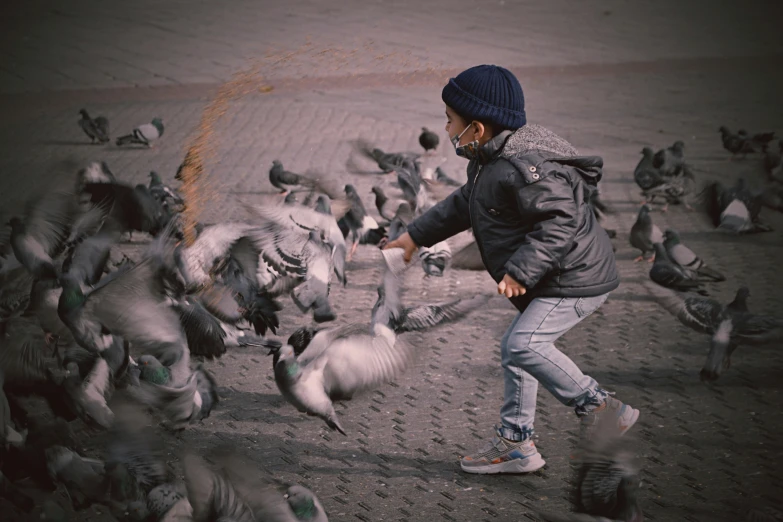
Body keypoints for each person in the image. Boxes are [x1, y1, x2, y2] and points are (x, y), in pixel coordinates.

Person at [383, 64, 638, 475]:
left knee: (523, 345)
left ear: (477, 128)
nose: (445, 129)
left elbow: (560, 222)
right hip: (550, 276)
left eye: (450, 121)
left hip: (573, 279)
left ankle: (600, 408)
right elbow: (462, 204)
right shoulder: (488, 159)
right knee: (518, 349)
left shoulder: (523, 166)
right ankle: (515, 443)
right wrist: (415, 237)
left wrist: (520, 270)